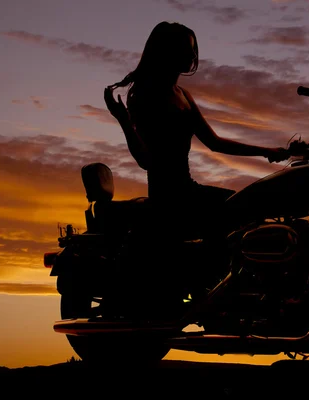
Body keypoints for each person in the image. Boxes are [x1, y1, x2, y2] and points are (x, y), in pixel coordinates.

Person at [103, 21, 289, 318]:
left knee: (250, 208)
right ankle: (213, 298)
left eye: (192, 49)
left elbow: (213, 142)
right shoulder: (146, 95)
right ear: (167, 52)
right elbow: (146, 161)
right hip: (168, 195)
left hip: (189, 187)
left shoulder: (182, 94)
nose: (191, 56)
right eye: (184, 49)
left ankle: (243, 288)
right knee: (233, 218)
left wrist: (268, 151)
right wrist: (124, 121)